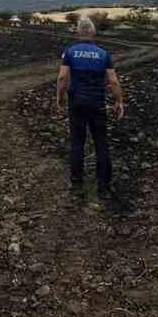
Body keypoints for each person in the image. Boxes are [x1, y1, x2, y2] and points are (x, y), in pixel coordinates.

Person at [57, 17, 124, 201]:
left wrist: (59, 97)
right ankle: (104, 187)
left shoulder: (70, 51)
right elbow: (113, 81)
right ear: (93, 33)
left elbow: (62, 78)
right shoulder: (103, 54)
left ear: (78, 33)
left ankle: (77, 184)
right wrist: (119, 102)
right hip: (98, 104)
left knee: (77, 142)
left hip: (76, 103)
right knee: (101, 142)